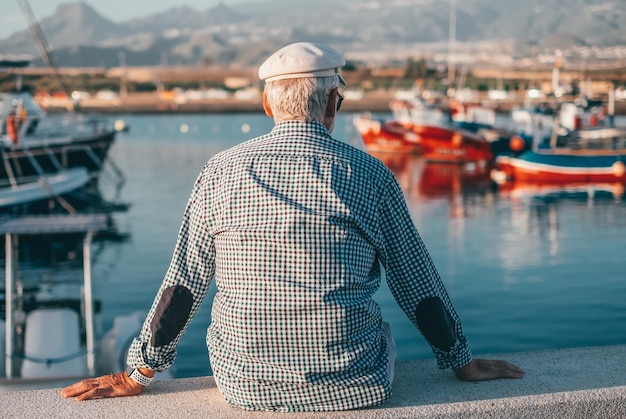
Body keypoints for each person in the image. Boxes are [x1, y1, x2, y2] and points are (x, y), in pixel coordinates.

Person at [61, 42, 524, 411]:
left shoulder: (220, 171)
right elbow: (416, 283)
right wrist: (461, 362)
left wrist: (139, 374)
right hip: (356, 387)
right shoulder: (370, 175)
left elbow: (184, 284)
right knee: (377, 326)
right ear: (333, 104)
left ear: (267, 105)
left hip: (245, 389)